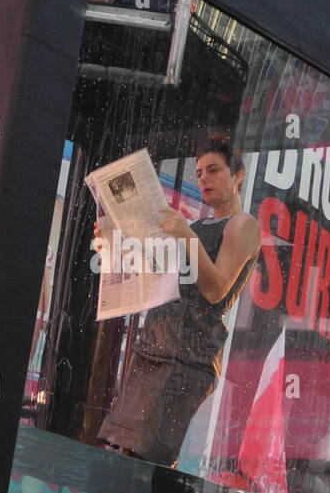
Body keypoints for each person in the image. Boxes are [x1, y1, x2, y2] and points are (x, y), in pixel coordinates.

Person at [94, 136, 261, 468]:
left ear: (237, 175)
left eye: (213, 170)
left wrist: (184, 234)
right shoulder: (196, 226)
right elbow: (155, 274)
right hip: (154, 343)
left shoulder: (243, 225)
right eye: (199, 173)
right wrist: (113, 243)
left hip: (187, 352)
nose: (204, 179)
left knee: (146, 453)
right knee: (115, 445)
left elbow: (216, 289)